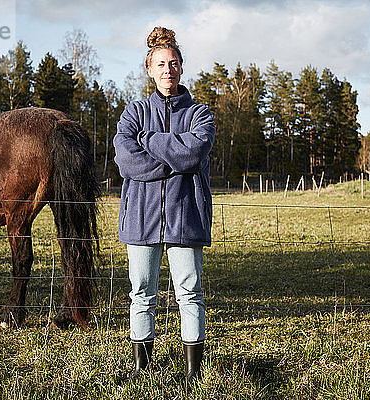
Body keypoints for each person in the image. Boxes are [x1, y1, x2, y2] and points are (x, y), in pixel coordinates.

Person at [113, 26, 215, 384]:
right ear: (150, 69)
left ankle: (192, 373)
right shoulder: (133, 112)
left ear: (182, 67)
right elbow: (127, 162)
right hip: (141, 218)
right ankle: (142, 368)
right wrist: (175, 154)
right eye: (161, 64)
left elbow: (194, 153)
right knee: (141, 293)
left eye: (173, 63)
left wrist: (150, 140)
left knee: (189, 293)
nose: (168, 69)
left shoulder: (200, 114)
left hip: (186, 215)